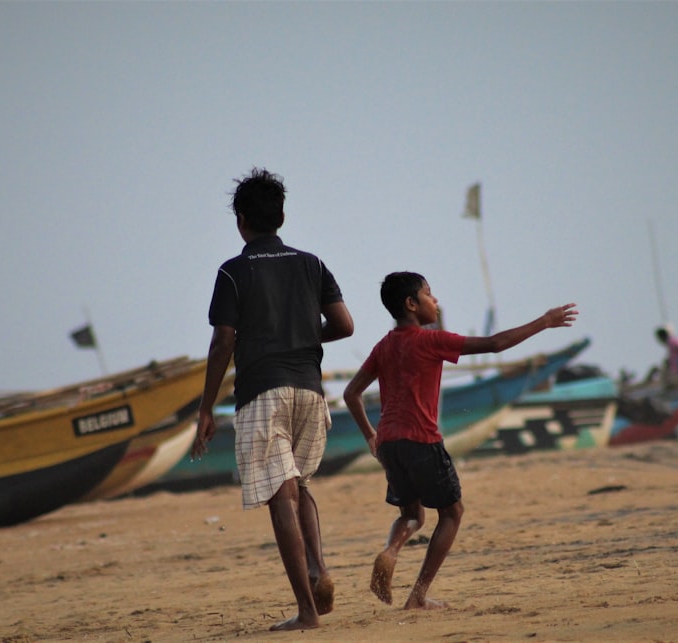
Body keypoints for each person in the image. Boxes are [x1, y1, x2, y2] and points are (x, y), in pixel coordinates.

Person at [343, 272, 577, 610]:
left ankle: (391, 551)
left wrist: (370, 437)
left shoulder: (384, 345)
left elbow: (352, 394)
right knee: (451, 513)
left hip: (390, 443)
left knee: (411, 514)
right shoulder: (430, 340)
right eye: (429, 294)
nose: (435, 301)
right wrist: (544, 321)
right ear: (411, 304)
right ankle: (418, 595)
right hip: (422, 440)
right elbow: (494, 344)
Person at [191, 167, 354, 631]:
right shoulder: (312, 264)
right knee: (299, 485)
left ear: (241, 220)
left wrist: (206, 407)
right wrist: (303, 338)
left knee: (279, 496)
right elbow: (344, 325)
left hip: (262, 393)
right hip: (309, 390)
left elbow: (223, 341)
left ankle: (306, 611)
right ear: (281, 216)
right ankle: (319, 566)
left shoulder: (234, 271)